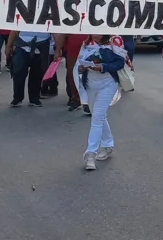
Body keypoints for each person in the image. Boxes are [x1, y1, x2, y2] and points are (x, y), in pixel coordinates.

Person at [77, 35, 129, 170]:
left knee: (97, 118)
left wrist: (102, 67)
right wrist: (82, 68)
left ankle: (91, 154)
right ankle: (107, 145)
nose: (96, 34)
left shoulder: (115, 41)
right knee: (98, 115)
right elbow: (79, 62)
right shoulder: (86, 43)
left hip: (108, 84)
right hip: (90, 84)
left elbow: (120, 62)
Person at [5, 30, 52, 107]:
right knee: (18, 73)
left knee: (37, 74)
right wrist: (8, 46)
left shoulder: (49, 17)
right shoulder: (22, 17)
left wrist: (58, 48)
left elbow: (56, 31)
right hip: (22, 45)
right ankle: (17, 98)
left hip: (42, 45)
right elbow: (14, 29)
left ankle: (34, 99)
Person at [55, 33, 88, 111]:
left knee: (89, 76)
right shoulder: (71, 22)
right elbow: (62, 35)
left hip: (90, 50)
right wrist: (58, 50)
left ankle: (88, 102)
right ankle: (75, 99)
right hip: (73, 51)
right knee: (72, 75)